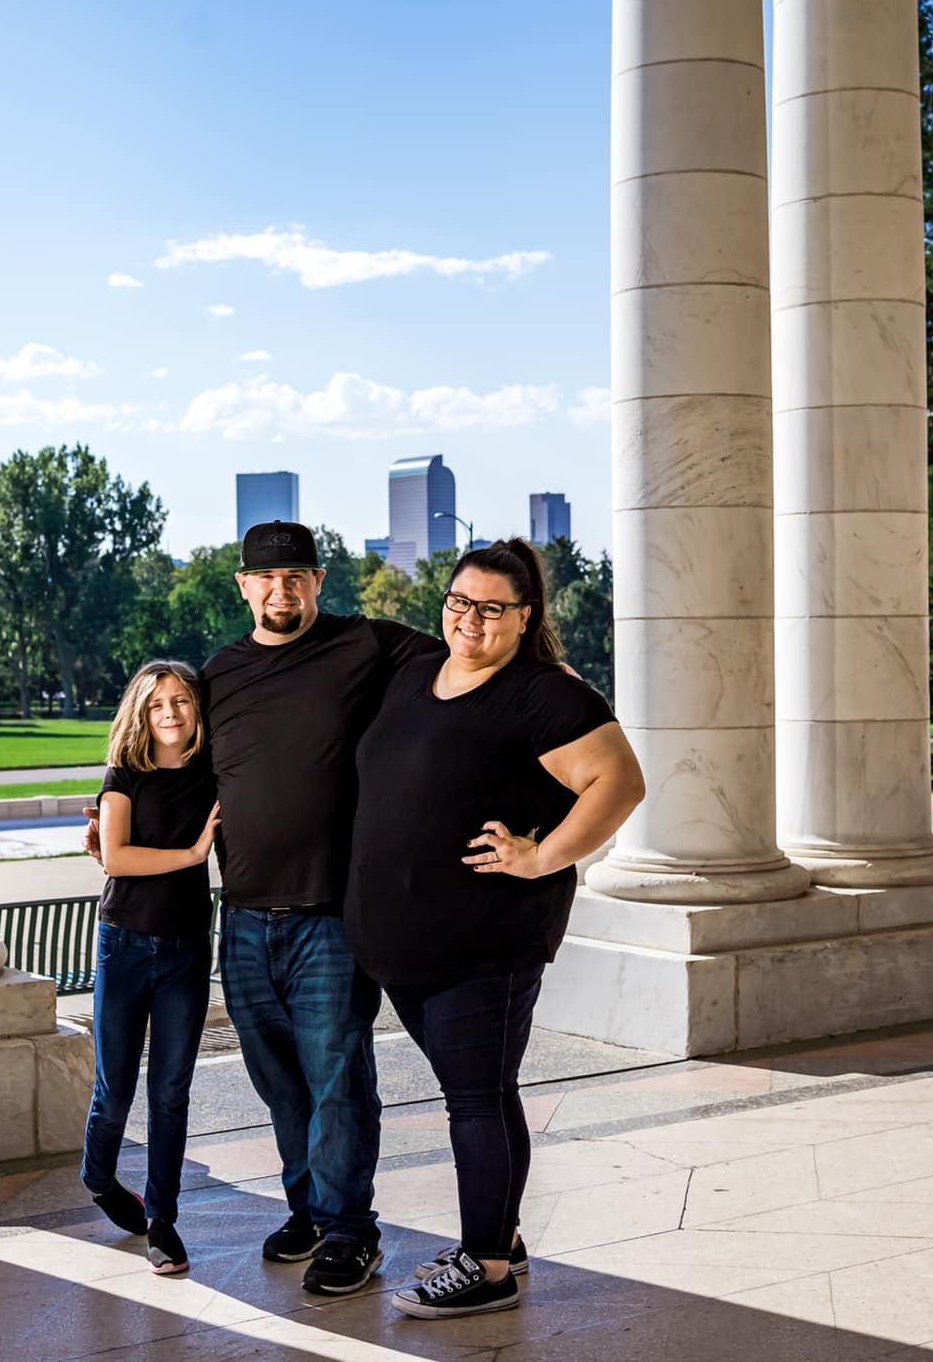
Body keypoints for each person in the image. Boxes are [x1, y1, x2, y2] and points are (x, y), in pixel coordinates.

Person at [87, 519, 442, 1296]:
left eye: (297, 578)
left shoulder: (367, 646)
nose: (282, 592)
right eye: (266, 579)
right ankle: (308, 1209)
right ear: (244, 586)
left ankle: (351, 1231)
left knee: (338, 1075)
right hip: (243, 920)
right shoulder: (219, 675)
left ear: (318, 581)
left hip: (329, 919)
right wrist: (108, 819)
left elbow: (467, 659)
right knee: (279, 1081)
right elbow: (169, 761)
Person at [346, 539, 644, 1320]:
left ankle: (486, 1268)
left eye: (489, 608)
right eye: (457, 601)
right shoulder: (415, 672)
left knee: (476, 1101)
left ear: (525, 617)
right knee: (480, 1093)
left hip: (487, 944)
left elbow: (620, 782)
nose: (469, 620)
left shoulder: (545, 695)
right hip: (403, 948)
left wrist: (542, 857)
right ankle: (499, 1237)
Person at [81, 660, 222, 1276]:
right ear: (141, 713)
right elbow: (116, 857)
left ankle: (162, 1221)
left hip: (188, 949)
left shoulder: (214, 776)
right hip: (125, 944)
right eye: (158, 703)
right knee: (115, 1088)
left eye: (181, 702)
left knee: (170, 1090)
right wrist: (193, 854)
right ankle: (98, 1177)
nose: (170, 713)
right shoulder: (124, 775)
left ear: (197, 711)